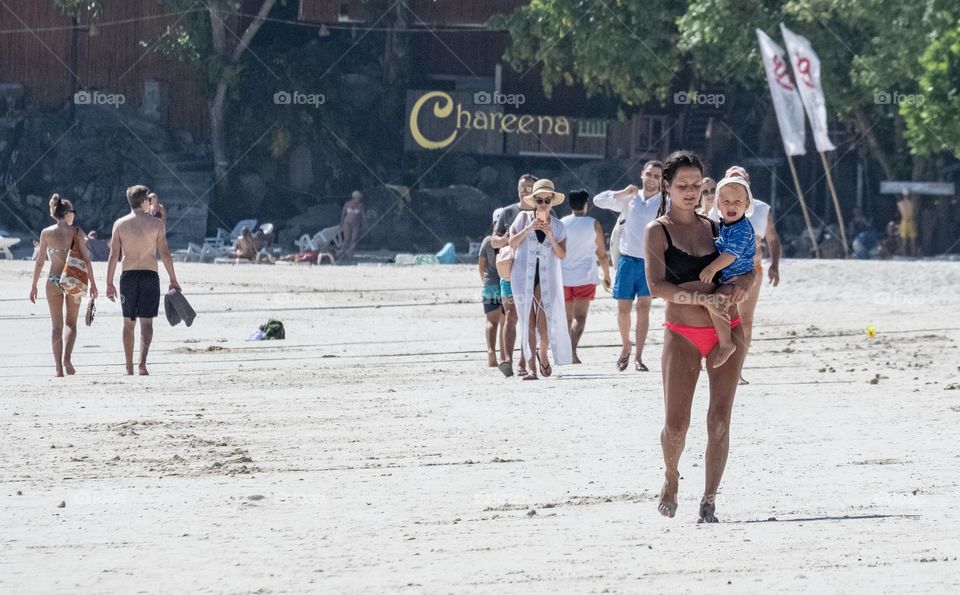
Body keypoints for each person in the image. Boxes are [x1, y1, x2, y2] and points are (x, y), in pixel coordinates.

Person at [644, 150, 755, 523]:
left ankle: (709, 499)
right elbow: (656, 287)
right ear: (667, 186)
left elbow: (749, 267)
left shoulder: (716, 226)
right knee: (676, 425)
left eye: (696, 185)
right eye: (682, 186)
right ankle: (671, 476)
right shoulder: (656, 231)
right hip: (682, 334)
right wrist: (699, 299)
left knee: (719, 420)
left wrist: (743, 282)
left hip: (729, 329)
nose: (691, 192)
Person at [710, 166, 782, 384]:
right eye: (731, 178)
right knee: (721, 318)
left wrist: (775, 265)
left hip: (753, 272)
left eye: (740, 179)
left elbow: (773, 239)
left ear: (748, 184)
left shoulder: (761, 209)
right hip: (722, 275)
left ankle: (737, 369)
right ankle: (718, 362)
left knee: (745, 321)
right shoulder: (716, 211)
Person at [593, 160, 663, 372]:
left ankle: (639, 357)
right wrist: (621, 192)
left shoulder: (664, 202)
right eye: (649, 174)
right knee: (623, 309)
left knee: (644, 308)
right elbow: (598, 200)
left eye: (657, 176)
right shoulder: (630, 197)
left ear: (662, 180)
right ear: (642, 174)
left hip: (650, 262)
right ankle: (626, 345)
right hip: (626, 259)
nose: (652, 179)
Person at [106, 185, 181, 376]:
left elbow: (113, 255)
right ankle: (142, 364)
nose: (151, 203)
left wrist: (109, 282)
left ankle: (128, 366)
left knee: (128, 323)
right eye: (149, 199)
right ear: (143, 201)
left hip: (128, 276)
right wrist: (173, 279)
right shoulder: (156, 224)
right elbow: (165, 254)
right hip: (149, 275)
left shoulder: (120, 224)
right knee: (146, 323)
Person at [508, 178, 572, 380]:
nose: (543, 204)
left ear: (552, 202)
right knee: (527, 320)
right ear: (534, 201)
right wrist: (528, 229)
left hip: (547, 277)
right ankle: (532, 369)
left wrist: (550, 235)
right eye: (539, 200)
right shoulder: (523, 218)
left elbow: (561, 254)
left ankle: (543, 353)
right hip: (522, 275)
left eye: (547, 200)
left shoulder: (559, 226)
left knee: (543, 325)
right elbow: (511, 242)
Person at [29, 194, 98, 377]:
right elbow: (87, 260)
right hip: (73, 279)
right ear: (67, 213)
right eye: (72, 211)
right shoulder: (76, 232)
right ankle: (67, 359)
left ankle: (58, 369)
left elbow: (39, 263)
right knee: (71, 324)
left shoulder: (46, 233)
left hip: (53, 280)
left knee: (56, 327)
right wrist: (93, 284)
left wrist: (34, 285)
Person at [697, 177, 756, 368]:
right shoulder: (724, 225)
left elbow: (731, 254)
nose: (732, 206)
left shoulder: (743, 229)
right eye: (726, 202)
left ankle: (726, 343)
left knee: (717, 300)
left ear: (747, 205)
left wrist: (712, 268)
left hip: (736, 279)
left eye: (738, 202)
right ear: (719, 205)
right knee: (715, 304)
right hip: (726, 278)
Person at [491, 173, 537, 377]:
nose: (526, 191)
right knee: (511, 315)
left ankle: (522, 361)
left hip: (535, 273)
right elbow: (494, 241)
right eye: (523, 188)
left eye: (530, 188)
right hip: (510, 271)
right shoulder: (508, 212)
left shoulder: (543, 210)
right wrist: (508, 239)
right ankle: (506, 359)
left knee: (529, 319)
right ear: (517, 190)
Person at [560, 189, 611, 364]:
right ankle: (572, 352)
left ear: (570, 204)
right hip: (585, 277)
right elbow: (602, 253)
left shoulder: (562, 223)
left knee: (567, 318)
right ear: (586, 204)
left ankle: (565, 352)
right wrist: (606, 274)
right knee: (580, 317)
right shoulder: (593, 223)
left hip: (564, 277)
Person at [479, 217, 506, 369]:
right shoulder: (510, 239)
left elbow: (481, 266)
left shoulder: (487, 241)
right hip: (506, 284)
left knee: (491, 322)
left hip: (490, 285)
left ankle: (491, 353)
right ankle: (503, 355)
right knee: (504, 322)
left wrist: (486, 281)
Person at [338, 191, 367, 261]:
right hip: (347, 223)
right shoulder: (347, 204)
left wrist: (365, 223)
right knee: (346, 239)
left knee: (354, 239)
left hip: (356, 224)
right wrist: (341, 222)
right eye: (358, 197)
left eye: (360, 198)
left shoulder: (360, 205)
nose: (359, 199)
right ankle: (340, 253)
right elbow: (343, 213)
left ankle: (350, 255)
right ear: (354, 197)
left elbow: (363, 215)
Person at [897, 191, 918, 257]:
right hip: (904, 221)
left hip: (910, 221)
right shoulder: (901, 203)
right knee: (904, 241)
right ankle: (904, 255)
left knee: (912, 240)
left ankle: (913, 255)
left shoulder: (912, 202)